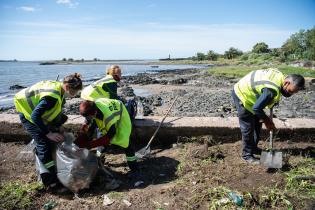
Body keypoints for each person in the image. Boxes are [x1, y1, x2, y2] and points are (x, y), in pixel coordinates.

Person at [14, 73, 83, 191]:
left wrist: (59, 127)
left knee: (62, 119)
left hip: (38, 113)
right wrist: (48, 134)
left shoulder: (59, 87)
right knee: (43, 145)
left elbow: (55, 111)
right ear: (67, 87)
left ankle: (51, 158)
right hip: (28, 115)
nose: (75, 95)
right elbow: (35, 116)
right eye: (74, 92)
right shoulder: (51, 98)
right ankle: (50, 181)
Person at [231, 68, 305, 164]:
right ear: (286, 83)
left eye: (295, 92)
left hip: (253, 95)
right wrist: (267, 121)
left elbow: (264, 100)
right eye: (291, 91)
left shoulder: (280, 78)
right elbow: (257, 108)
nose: (292, 94)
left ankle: (253, 148)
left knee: (257, 122)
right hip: (242, 95)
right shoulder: (271, 90)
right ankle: (247, 155)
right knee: (248, 127)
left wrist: (268, 109)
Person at [75, 98, 140, 179]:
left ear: (95, 113)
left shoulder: (108, 117)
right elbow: (88, 123)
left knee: (125, 141)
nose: (87, 119)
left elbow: (110, 135)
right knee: (98, 135)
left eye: (89, 117)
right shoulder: (92, 107)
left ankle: (135, 169)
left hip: (121, 113)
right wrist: (80, 138)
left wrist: (90, 145)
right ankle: (100, 160)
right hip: (106, 112)